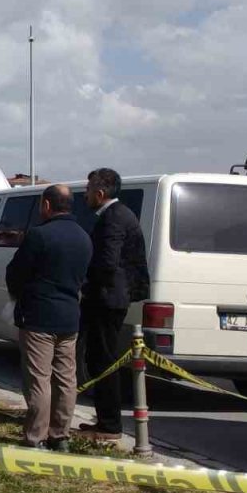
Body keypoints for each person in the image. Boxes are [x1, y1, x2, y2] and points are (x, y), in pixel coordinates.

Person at [5, 185, 92, 451]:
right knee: (66, 379)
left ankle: (36, 436)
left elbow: (16, 273)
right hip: (70, 317)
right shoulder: (84, 237)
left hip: (38, 316)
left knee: (39, 379)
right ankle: (60, 435)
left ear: (46, 205)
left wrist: (19, 295)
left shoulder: (39, 235)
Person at [77, 168, 150, 441]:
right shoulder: (117, 215)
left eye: (88, 190)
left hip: (107, 299)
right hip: (109, 297)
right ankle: (104, 421)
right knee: (97, 359)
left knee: (103, 360)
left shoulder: (114, 218)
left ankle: (109, 425)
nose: (84, 195)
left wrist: (85, 283)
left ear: (100, 193)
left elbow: (107, 262)